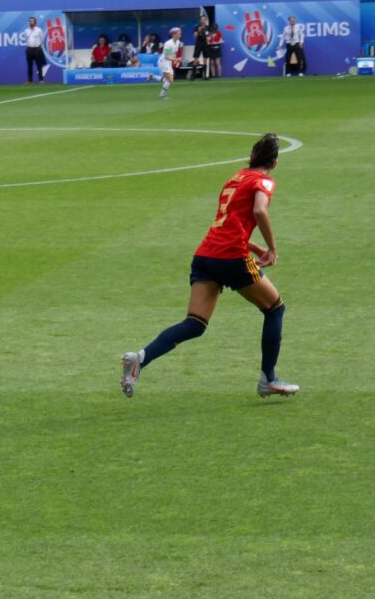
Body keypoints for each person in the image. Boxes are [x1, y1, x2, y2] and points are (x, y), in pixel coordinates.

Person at [120, 134, 299, 399]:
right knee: (275, 308)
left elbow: (227, 222)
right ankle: (268, 379)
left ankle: (139, 359)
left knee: (195, 323)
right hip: (232, 257)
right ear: (274, 164)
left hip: (205, 255)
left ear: (251, 157)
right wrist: (271, 248)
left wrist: (254, 247)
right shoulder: (264, 180)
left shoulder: (235, 179)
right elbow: (260, 211)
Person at [20, 16, 47, 84]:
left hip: (37, 49)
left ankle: (41, 80)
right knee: (29, 65)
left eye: (32, 21)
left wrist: (38, 46)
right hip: (29, 49)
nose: (31, 22)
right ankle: (30, 80)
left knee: (39, 65)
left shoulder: (39, 30)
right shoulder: (26, 31)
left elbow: (42, 39)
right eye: (30, 21)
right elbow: (27, 39)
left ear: (35, 22)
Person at [158, 27, 181, 100]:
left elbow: (173, 53)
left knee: (169, 80)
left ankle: (152, 76)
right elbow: (167, 56)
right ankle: (162, 95)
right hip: (163, 62)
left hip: (168, 62)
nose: (180, 35)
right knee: (170, 80)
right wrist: (176, 59)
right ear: (173, 34)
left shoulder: (178, 42)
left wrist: (175, 59)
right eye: (178, 33)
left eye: (180, 33)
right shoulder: (168, 44)